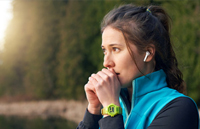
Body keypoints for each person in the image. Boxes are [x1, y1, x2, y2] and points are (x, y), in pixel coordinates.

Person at [77, 4, 199, 129]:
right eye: (105, 51)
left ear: (148, 53)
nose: (106, 62)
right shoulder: (111, 107)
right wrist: (93, 110)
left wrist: (111, 109)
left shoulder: (179, 108)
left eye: (115, 49)